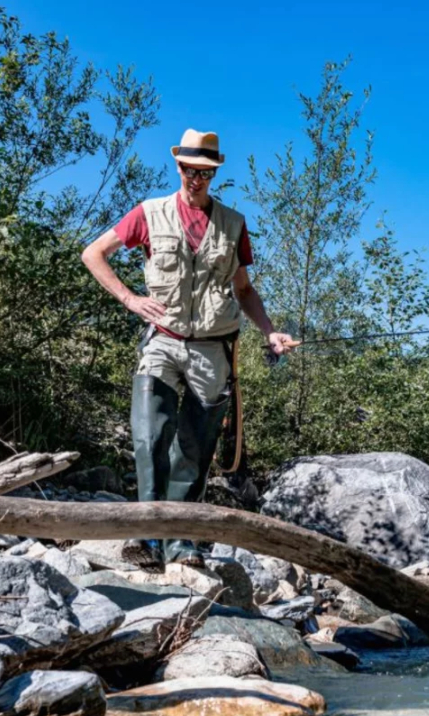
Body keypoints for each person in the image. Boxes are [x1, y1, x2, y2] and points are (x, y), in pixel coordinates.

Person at [81, 129, 297, 568]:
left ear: (213, 173)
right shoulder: (149, 213)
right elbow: (93, 254)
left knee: (194, 450)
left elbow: (244, 290)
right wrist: (130, 299)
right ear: (177, 166)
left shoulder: (233, 224)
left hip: (212, 349)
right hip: (161, 341)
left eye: (203, 172)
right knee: (148, 436)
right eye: (187, 169)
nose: (194, 178)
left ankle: (183, 544)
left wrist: (270, 332)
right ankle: (146, 537)